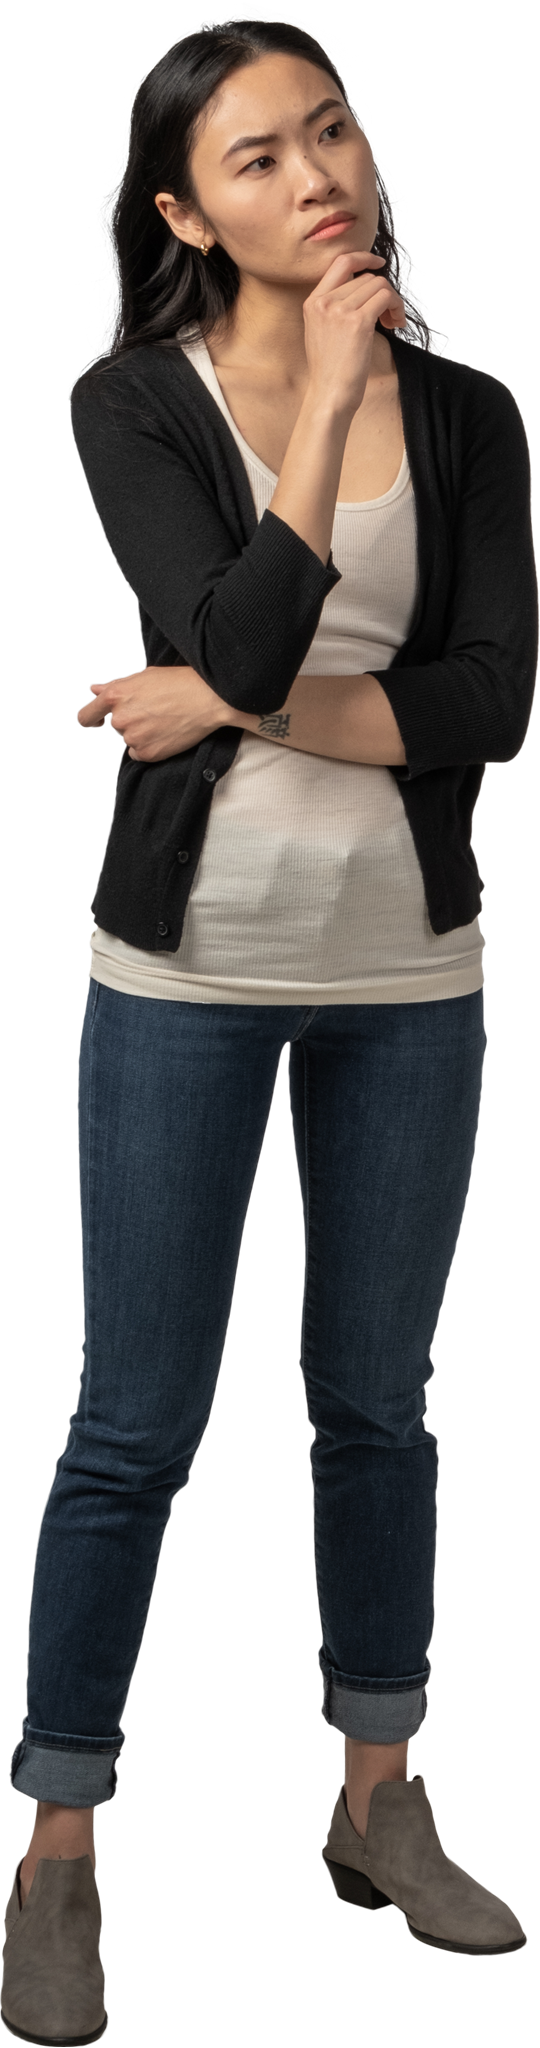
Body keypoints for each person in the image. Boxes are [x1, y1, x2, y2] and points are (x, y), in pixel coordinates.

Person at [4, 30, 534, 2036]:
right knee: (134, 1425)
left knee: (379, 1406)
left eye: (332, 128)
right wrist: (309, 426)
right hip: (188, 972)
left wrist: (214, 704)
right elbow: (240, 620)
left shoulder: (471, 413)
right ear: (187, 211)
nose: (317, 174)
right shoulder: (133, 400)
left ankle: (380, 1802)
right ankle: (60, 1845)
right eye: (257, 157)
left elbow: (493, 701)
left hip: (413, 976)